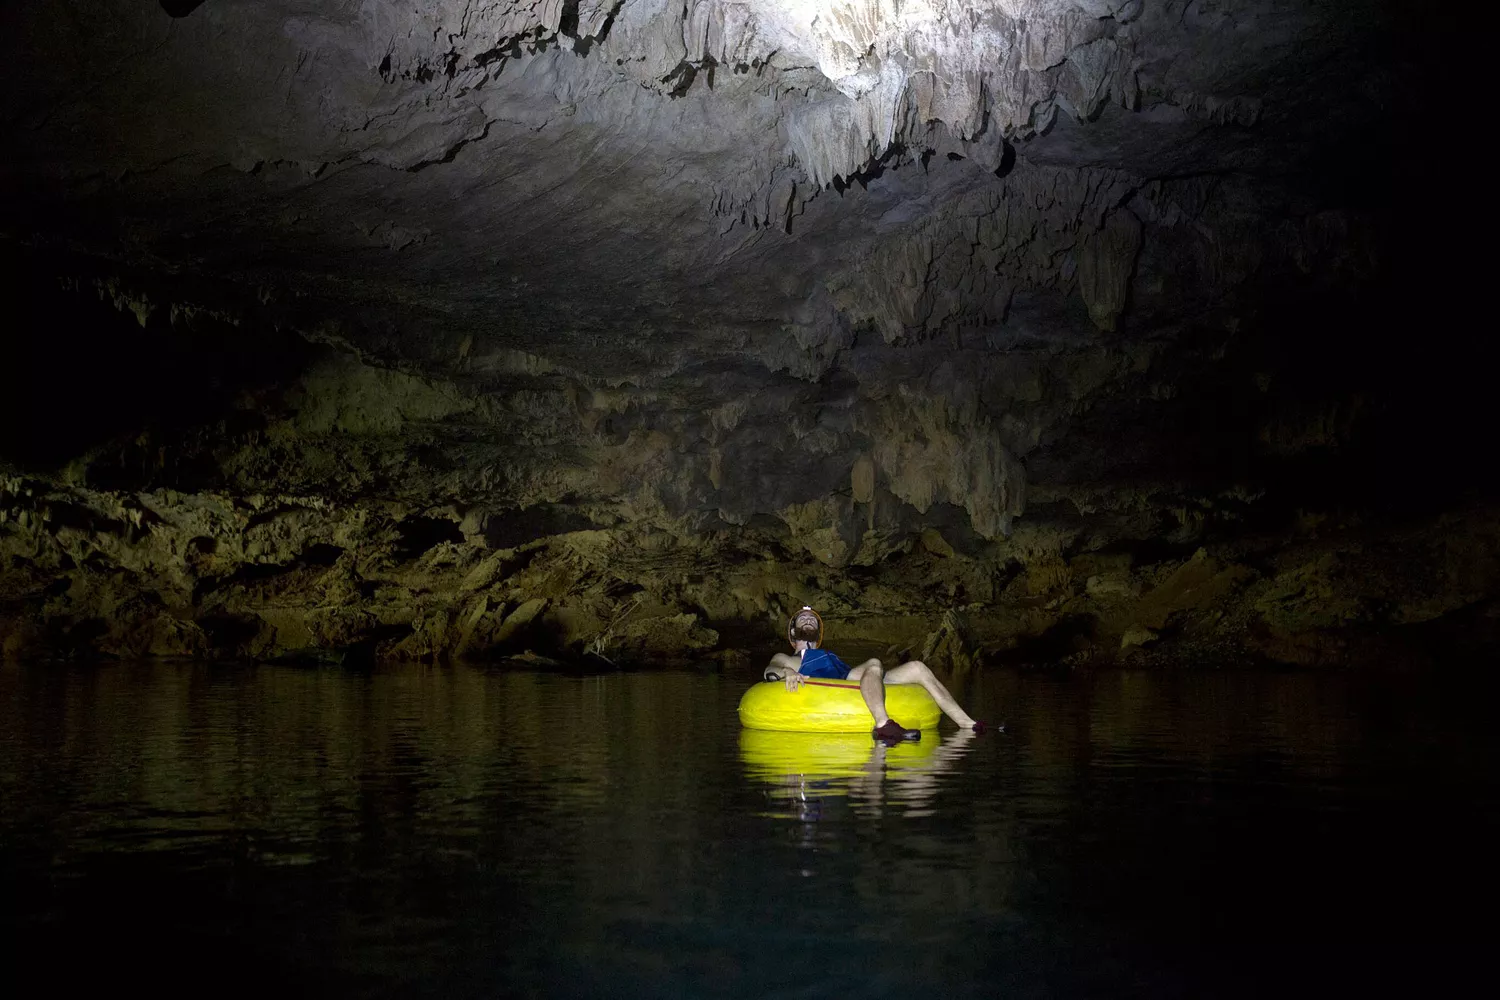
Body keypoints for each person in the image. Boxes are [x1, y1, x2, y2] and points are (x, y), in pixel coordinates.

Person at [762, 606, 996, 742]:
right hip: (829, 689)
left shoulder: (827, 653)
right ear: (793, 632)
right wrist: (786, 673)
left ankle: (967, 724)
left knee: (917, 667)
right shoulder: (788, 659)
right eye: (803, 619)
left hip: (849, 679)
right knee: (874, 662)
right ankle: (883, 724)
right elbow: (769, 670)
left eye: (813, 619)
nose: (809, 620)